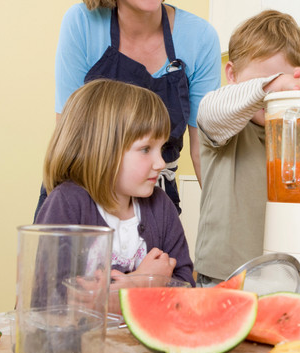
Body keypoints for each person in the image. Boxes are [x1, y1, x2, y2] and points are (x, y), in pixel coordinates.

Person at [193, 10, 300, 287]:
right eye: (264, 84)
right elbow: (211, 107)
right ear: (231, 75)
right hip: (226, 275)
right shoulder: (223, 127)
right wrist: (273, 85)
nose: (273, 97)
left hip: (288, 275)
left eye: (287, 83)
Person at [36, 0, 221, 217]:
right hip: (85, 188)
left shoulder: (200, 37)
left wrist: (222, 224)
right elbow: (69, 141)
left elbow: (203, 153)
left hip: (152, 194)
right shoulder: (82, 22)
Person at [35, 79, 195, 286]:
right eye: (146, 149)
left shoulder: (161, 206)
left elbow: (186, 285)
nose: (161, 163)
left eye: (161, 148)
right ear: (101, 150)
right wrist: (139, 283)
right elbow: (50, 295)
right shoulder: (66, 205)